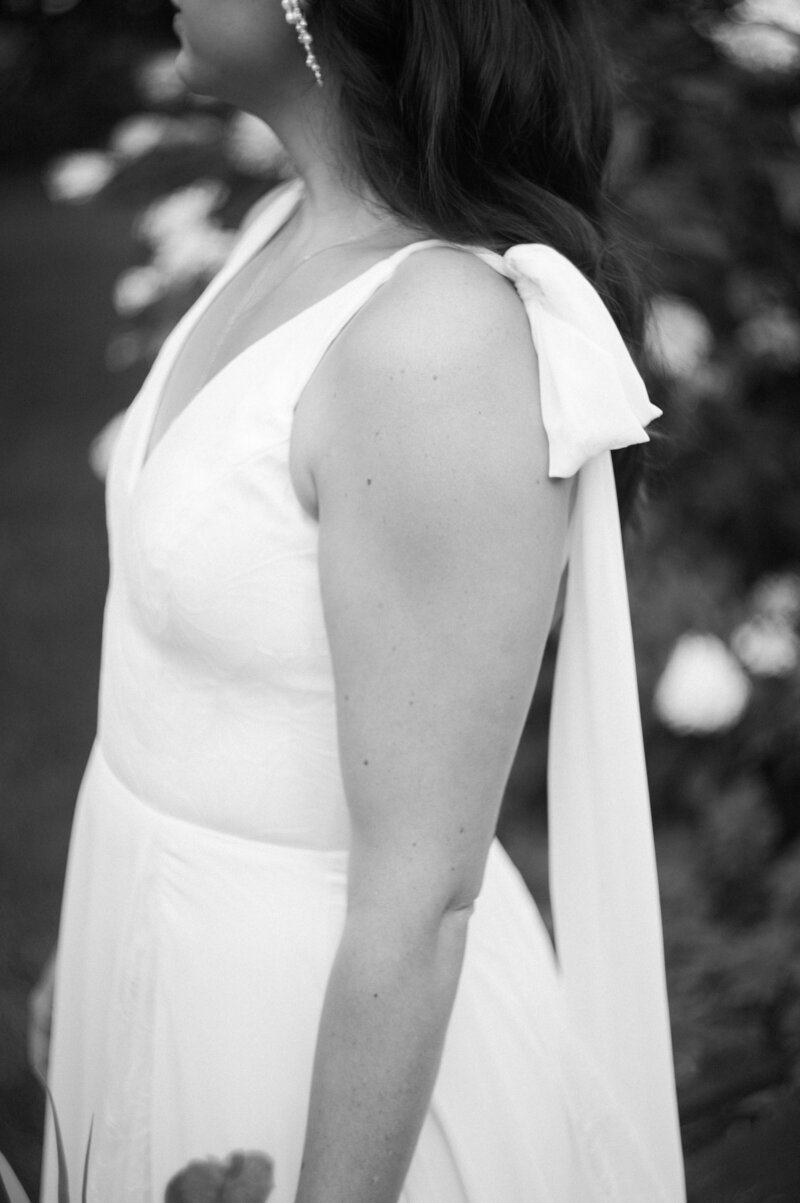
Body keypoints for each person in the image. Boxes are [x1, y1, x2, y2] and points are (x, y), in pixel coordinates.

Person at [35, 1, 687, 1200]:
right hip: (153, 937)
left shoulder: (437, 344)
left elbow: (422, 895)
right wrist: (89, 951)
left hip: (303, 1035)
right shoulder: (289, 226)